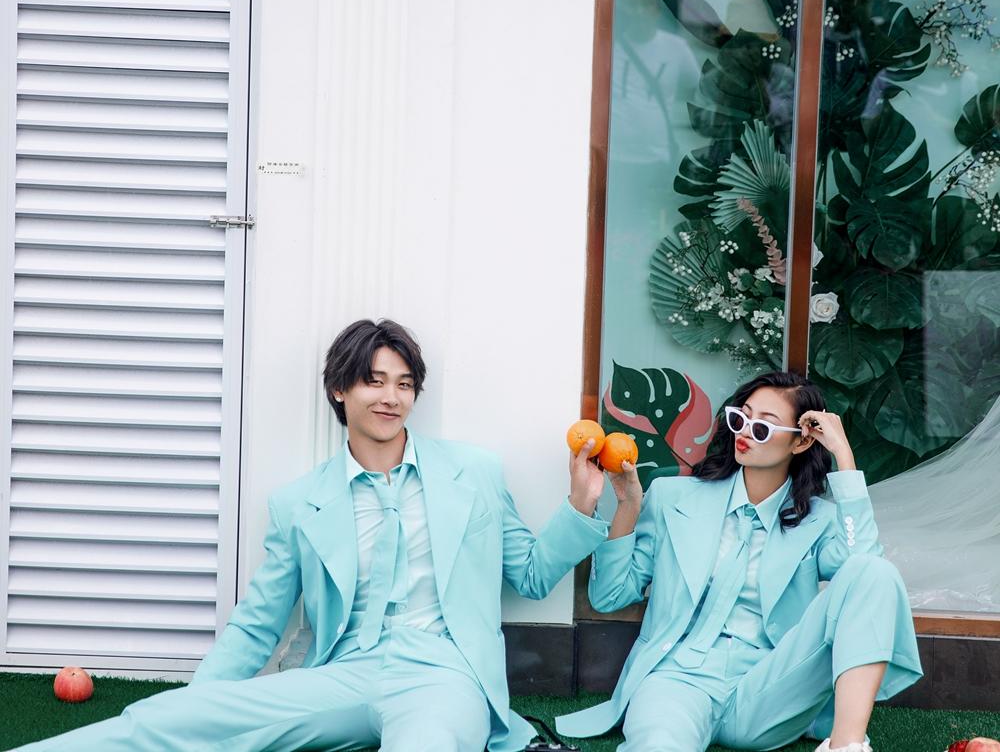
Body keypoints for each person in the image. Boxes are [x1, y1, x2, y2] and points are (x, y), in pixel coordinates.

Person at [13, 319, 609, 752]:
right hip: (342, 674)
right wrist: (201, 701)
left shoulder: (473, 473)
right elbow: (258, 623)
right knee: (164, 721)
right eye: (375, 381)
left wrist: (581, 502)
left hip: (444, 674)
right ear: (340, 390)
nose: (391, 398)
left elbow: (531, 577)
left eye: (404, 384)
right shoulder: (299, 502)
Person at [556, 371, 922, 752]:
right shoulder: (671, 497)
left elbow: (867, 575)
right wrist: (629, 506)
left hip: (766, 690)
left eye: (763, 427)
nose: (745, 432)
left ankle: (845, 746)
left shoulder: (819, 520)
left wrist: (843, 456)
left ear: (800, 442)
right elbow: (609, 595)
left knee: (875, 570)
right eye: (741, 418)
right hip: (676, 682)